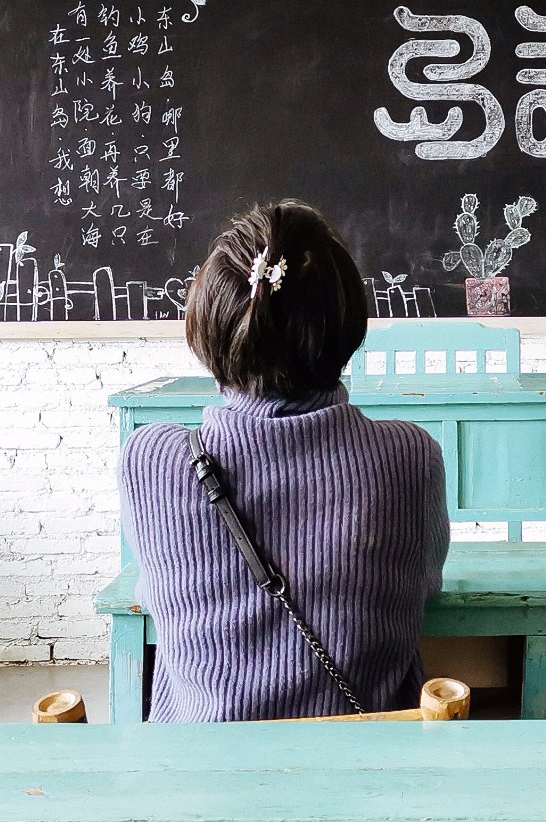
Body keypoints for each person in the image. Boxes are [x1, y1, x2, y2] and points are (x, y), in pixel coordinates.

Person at [119, 202, 450, 721]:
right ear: (346, 324)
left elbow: (154, 591)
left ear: (208, 325)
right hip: (371, 760)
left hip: (198, 764)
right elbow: (427, 585)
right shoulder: (411, 457)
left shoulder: (152, 459)